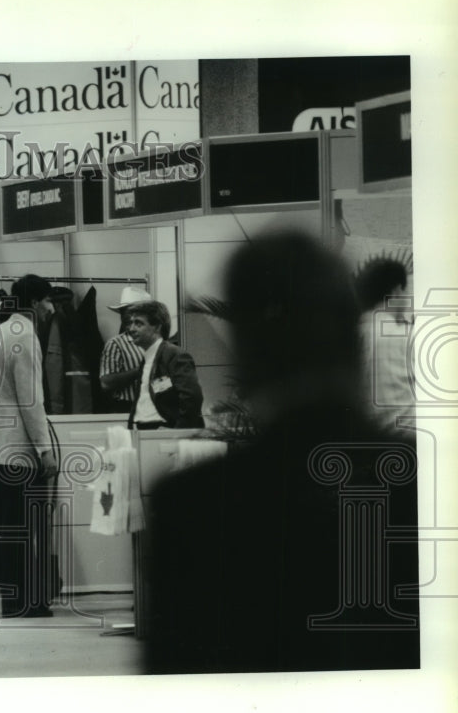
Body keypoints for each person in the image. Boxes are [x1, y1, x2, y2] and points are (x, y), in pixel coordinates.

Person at [144, 232, 420, 674]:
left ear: (247, 349)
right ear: (348, 334)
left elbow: (177, 682)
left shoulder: (193, 503)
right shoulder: (422, 486)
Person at [0, 274, 60, 618]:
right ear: (36, 302)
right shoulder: (26, 337)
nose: (52, 309)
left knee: (9, 525)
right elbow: (30, 399)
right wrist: (44, 450)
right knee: (23, 527)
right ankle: (26, 602)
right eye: (49, 301)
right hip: (17, 448)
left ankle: (14, 599)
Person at [354, 256, 416, 436]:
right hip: (410, 441)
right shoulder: (408, 337)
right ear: (397, 291)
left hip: (363, 443)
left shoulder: (348, 338)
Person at [125, 300, 205, 430]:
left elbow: (192, 398)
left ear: (157, 327)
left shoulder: (175, 355)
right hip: (143, 430)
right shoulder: (147, 358)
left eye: (138, 323)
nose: (131, 329)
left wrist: (177, 432)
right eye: (131, 323)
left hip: (163, 432)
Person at [99, 286, 152, 415]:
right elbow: (106, 383)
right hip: (125, 409)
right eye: (124, 312)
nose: (126, 317)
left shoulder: (156, 343)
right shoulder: (116, 344)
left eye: (133, 312)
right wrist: (139, 371)